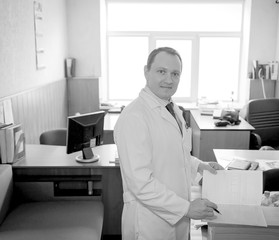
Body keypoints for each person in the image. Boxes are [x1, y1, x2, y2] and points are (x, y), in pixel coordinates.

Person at [114, 47, 224, 240]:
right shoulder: (134, 117)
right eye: (161, 71)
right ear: (146, 71)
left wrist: (199, 166)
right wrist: (186, 208)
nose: (169, 79)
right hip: (150, 222)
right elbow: (140, 183)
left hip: (175, 213)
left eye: (175, 74)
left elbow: (171, 154)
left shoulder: (172, 108)